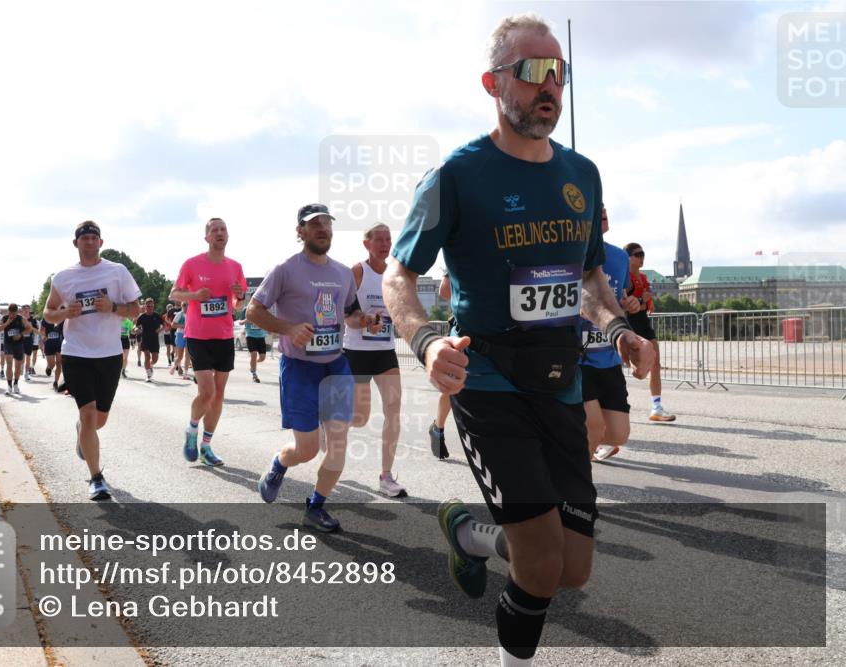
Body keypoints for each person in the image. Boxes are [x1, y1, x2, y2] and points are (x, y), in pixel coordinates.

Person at [381, 15, 654, 666]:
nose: (549, 84)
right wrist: (425, 341)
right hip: (490, 386)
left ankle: (472, 536)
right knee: (538, 566)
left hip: (562, 383)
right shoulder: (457, 175)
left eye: (558, 71)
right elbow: (399, 276)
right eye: (533, 70)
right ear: (493, 83)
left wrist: (618, 327)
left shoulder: (582, 175)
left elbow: (588, 274)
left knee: (573, 568)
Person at [251, 203, 379, 532]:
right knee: (306, 450)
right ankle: (280, 464)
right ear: (301, 232)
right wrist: (289, 328)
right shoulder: (285, 269)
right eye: (314, 224)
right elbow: (253, 312)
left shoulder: (341, 273)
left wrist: (364, 320)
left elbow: (350, 314)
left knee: (338, 443)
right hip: (299, 368)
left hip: (335, 365)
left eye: (327, 223)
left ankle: (316, 506)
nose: (323, 228)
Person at [43, 220, 141, 501]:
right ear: (76, 243)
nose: (88, 241)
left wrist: (111, 307)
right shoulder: (62, 277)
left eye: (93, 237)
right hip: (76, 353)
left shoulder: (117, 272)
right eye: (83, 237)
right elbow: (48, 313)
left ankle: (82, 433)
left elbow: (135, 309)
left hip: (109, 354)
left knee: (99, 420)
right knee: (87, 414)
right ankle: (96, 478)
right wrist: (64, 312)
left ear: (101, 243)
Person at [170, 218, 247, 467]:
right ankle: (192, 430)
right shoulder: (192, 264)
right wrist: (193, 295)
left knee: (219, 394)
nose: (219, 233)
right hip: (198, 335)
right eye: (214, 230)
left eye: (223, 229)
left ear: (228, 235)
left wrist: (240, 296)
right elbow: (174, 294)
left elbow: (239, 305)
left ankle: (206, 446)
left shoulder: (235, 267)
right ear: (207, 237)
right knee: (207, 391)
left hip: (224, 336)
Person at [343, 223, 406, 497]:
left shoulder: (395, 274)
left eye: (388, 239)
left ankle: (386, 475)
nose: (384, 243)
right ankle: (329, 424)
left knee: (394, 408)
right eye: (378, 239)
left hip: (385, 352)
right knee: (359, 417)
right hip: (356, 352)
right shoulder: (357, 272)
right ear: (366, 244)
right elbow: (346, 316)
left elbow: (401, 310)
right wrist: (366, 320)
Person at [582, 207, 643, 462]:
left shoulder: (619, 257)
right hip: (576, 356)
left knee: (618, 434)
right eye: (597, 207)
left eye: (604, 207)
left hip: (607, 356)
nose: (603, 210)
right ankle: (575, 487)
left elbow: (619, 297)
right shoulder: (569, 252)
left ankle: (562, 438)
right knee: (593, 426)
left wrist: (631, 305)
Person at [624, 242, 677, 422]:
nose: (642, 257)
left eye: (643, 254)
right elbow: (629, 304)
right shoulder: (626, 277)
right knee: (620, 366)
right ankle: (610, 407)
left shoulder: (643, 277)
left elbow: (645, 305)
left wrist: (642, 302)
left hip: (643, 322)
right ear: (628, 257)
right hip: (628, 323)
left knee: (655, 363)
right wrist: (640, 300)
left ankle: (656, 407)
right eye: (638, 254)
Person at [428, 270, 452, 460]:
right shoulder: (466, 247)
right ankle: (438, 428)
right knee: (452, 387)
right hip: (467, 326)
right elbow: (443, 290)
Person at [0, 303, 33, 395]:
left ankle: (16, 384)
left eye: (14, 313)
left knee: (17, 366)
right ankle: (9, 386)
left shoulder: (21, 318)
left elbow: (29, 329)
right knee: (9, 364)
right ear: (8, 312)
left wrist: (20, 334)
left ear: (17, 312)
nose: (12, 315)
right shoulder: (4, 318)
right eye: (10, 313)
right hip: (8, 344)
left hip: (19, 344)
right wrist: (6, 323)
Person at [135, 299, 164, 382]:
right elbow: (136, 326)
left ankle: (150, 366)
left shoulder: (157, 316)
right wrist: (137, 329)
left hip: (154, 340)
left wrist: (160, 329)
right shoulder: (142, 316)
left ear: (153, 306)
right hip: (145, 339)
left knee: (155, 359)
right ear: (145, 306)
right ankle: (148, 375)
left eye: (151, 306)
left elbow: (165, 325)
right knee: (147, 356)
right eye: (148, 306)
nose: (150, 308)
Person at [41, 317, 65, 392]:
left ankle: (55, 382)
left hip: (59, 343)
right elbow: (42, 330)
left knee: (59, 363)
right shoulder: (46, 318)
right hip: (49, 343)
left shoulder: (62, 317)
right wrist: (43, 336)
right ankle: (49, 367)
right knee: (52, 364)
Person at [242, 316, 268, 383]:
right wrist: (246, 321)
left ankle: (253, 363)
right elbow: (240, 322)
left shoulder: (262, 310)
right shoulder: (246, 310)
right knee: (254, 354)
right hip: (250, 336)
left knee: (262, 358)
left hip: (261, 336)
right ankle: (254, 374)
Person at [164, 301, 178, 366]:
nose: (170, 308)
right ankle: (169, 359)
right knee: (168, 348)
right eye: (168, 308)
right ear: (166, 309)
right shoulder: (164, 316)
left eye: (171, 307)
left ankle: (173, 354)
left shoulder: (175, 314)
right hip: (167, 333)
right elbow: (163, 325)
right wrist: (166, 328)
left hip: (173, 332)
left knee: (174, 348)